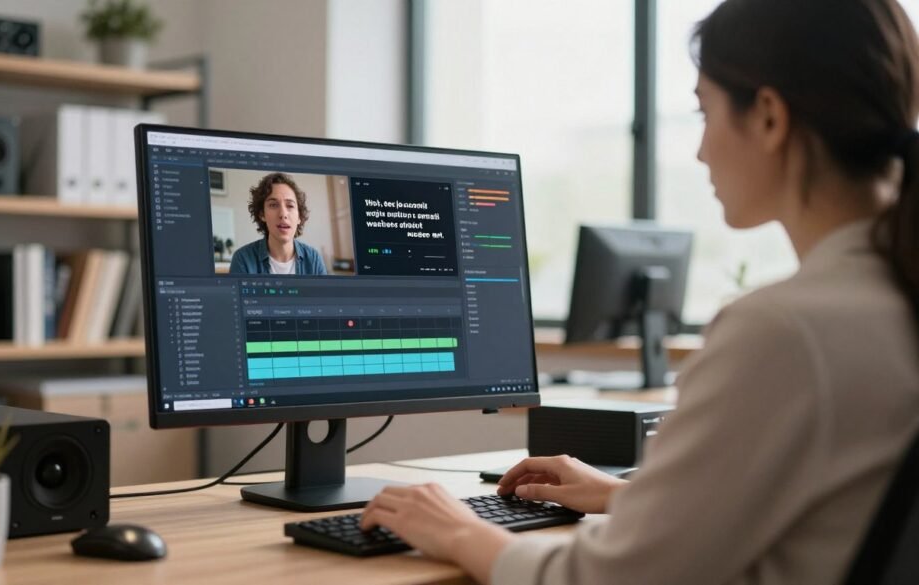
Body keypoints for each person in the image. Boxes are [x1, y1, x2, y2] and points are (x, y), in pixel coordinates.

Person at [359, 1, 919, 583]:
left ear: (770, 118)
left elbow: (607, 578)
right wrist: (625, 497)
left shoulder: (786, 331)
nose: (700, 151)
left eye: (705, 113)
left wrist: (455, 529)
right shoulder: (889, 298)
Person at [229, 172, 327, 275]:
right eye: (273, 205)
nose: (283, 214)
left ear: (299, 217)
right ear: (262, 214)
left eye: (290, 206)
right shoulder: (243, 259)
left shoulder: (314, 260)